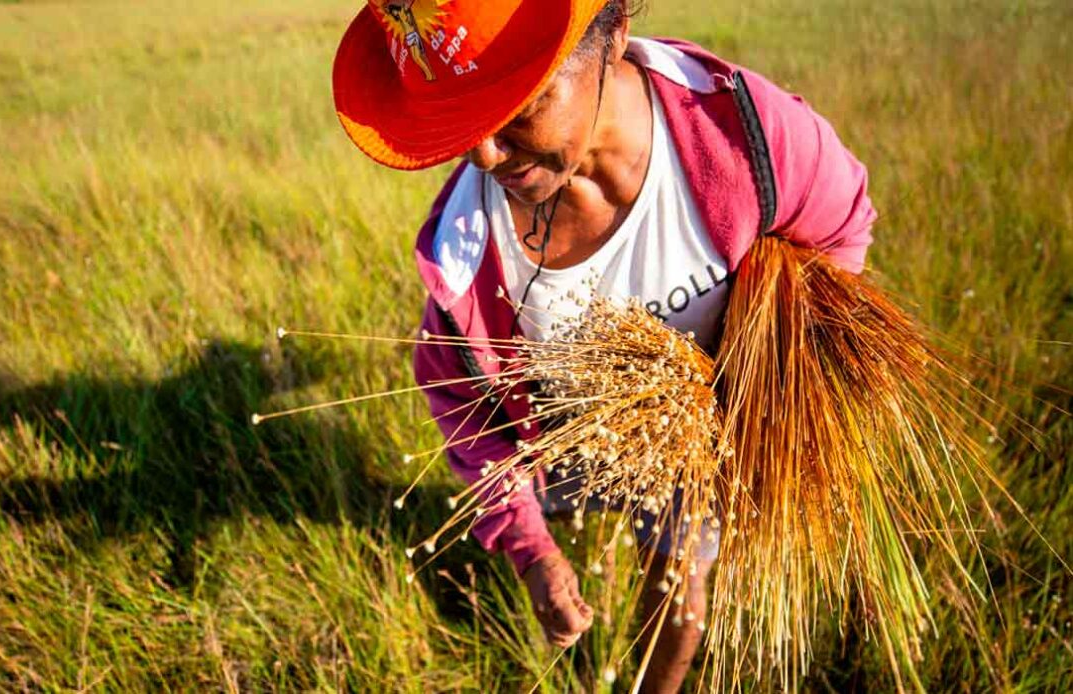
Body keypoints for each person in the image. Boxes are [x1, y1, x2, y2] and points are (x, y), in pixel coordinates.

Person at [332, 1, 875, 691]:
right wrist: (533, 556)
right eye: (464, 117)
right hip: (561, 437)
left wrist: (775, 385)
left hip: (704, 435)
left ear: (612, 33)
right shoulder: (469, 261)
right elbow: (473, 424)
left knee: (680, 585)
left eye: (518, 105)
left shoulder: (745, 139)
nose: (482, 154)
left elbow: (841, 230)